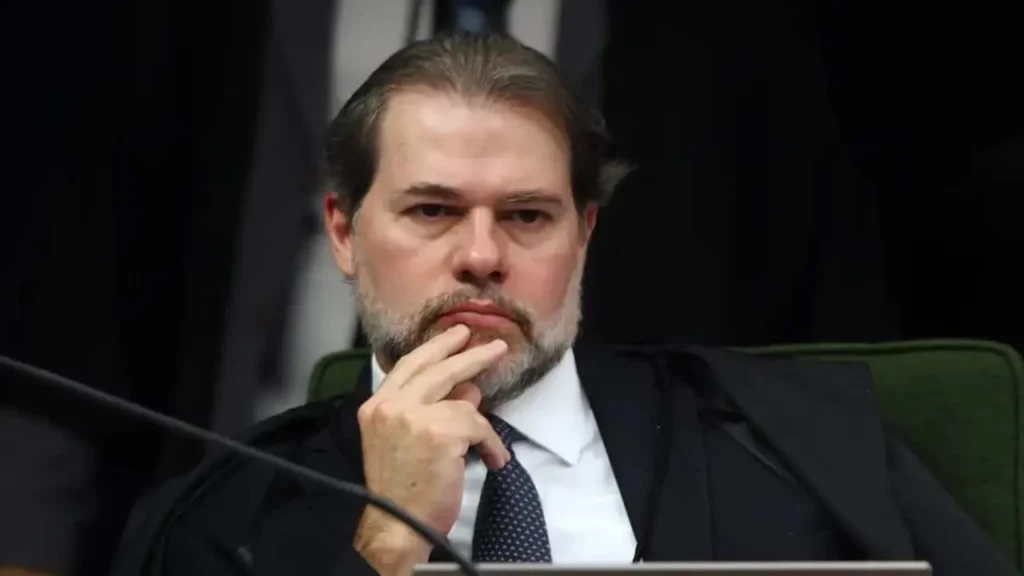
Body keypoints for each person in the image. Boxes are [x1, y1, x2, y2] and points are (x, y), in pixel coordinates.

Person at [112, 32, 1015, 576]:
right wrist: (388, 543)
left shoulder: (791, 445)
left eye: (526, 216)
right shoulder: (223, 518)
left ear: (583, 234)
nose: (481, 256)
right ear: (344, 233)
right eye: (432, 211)